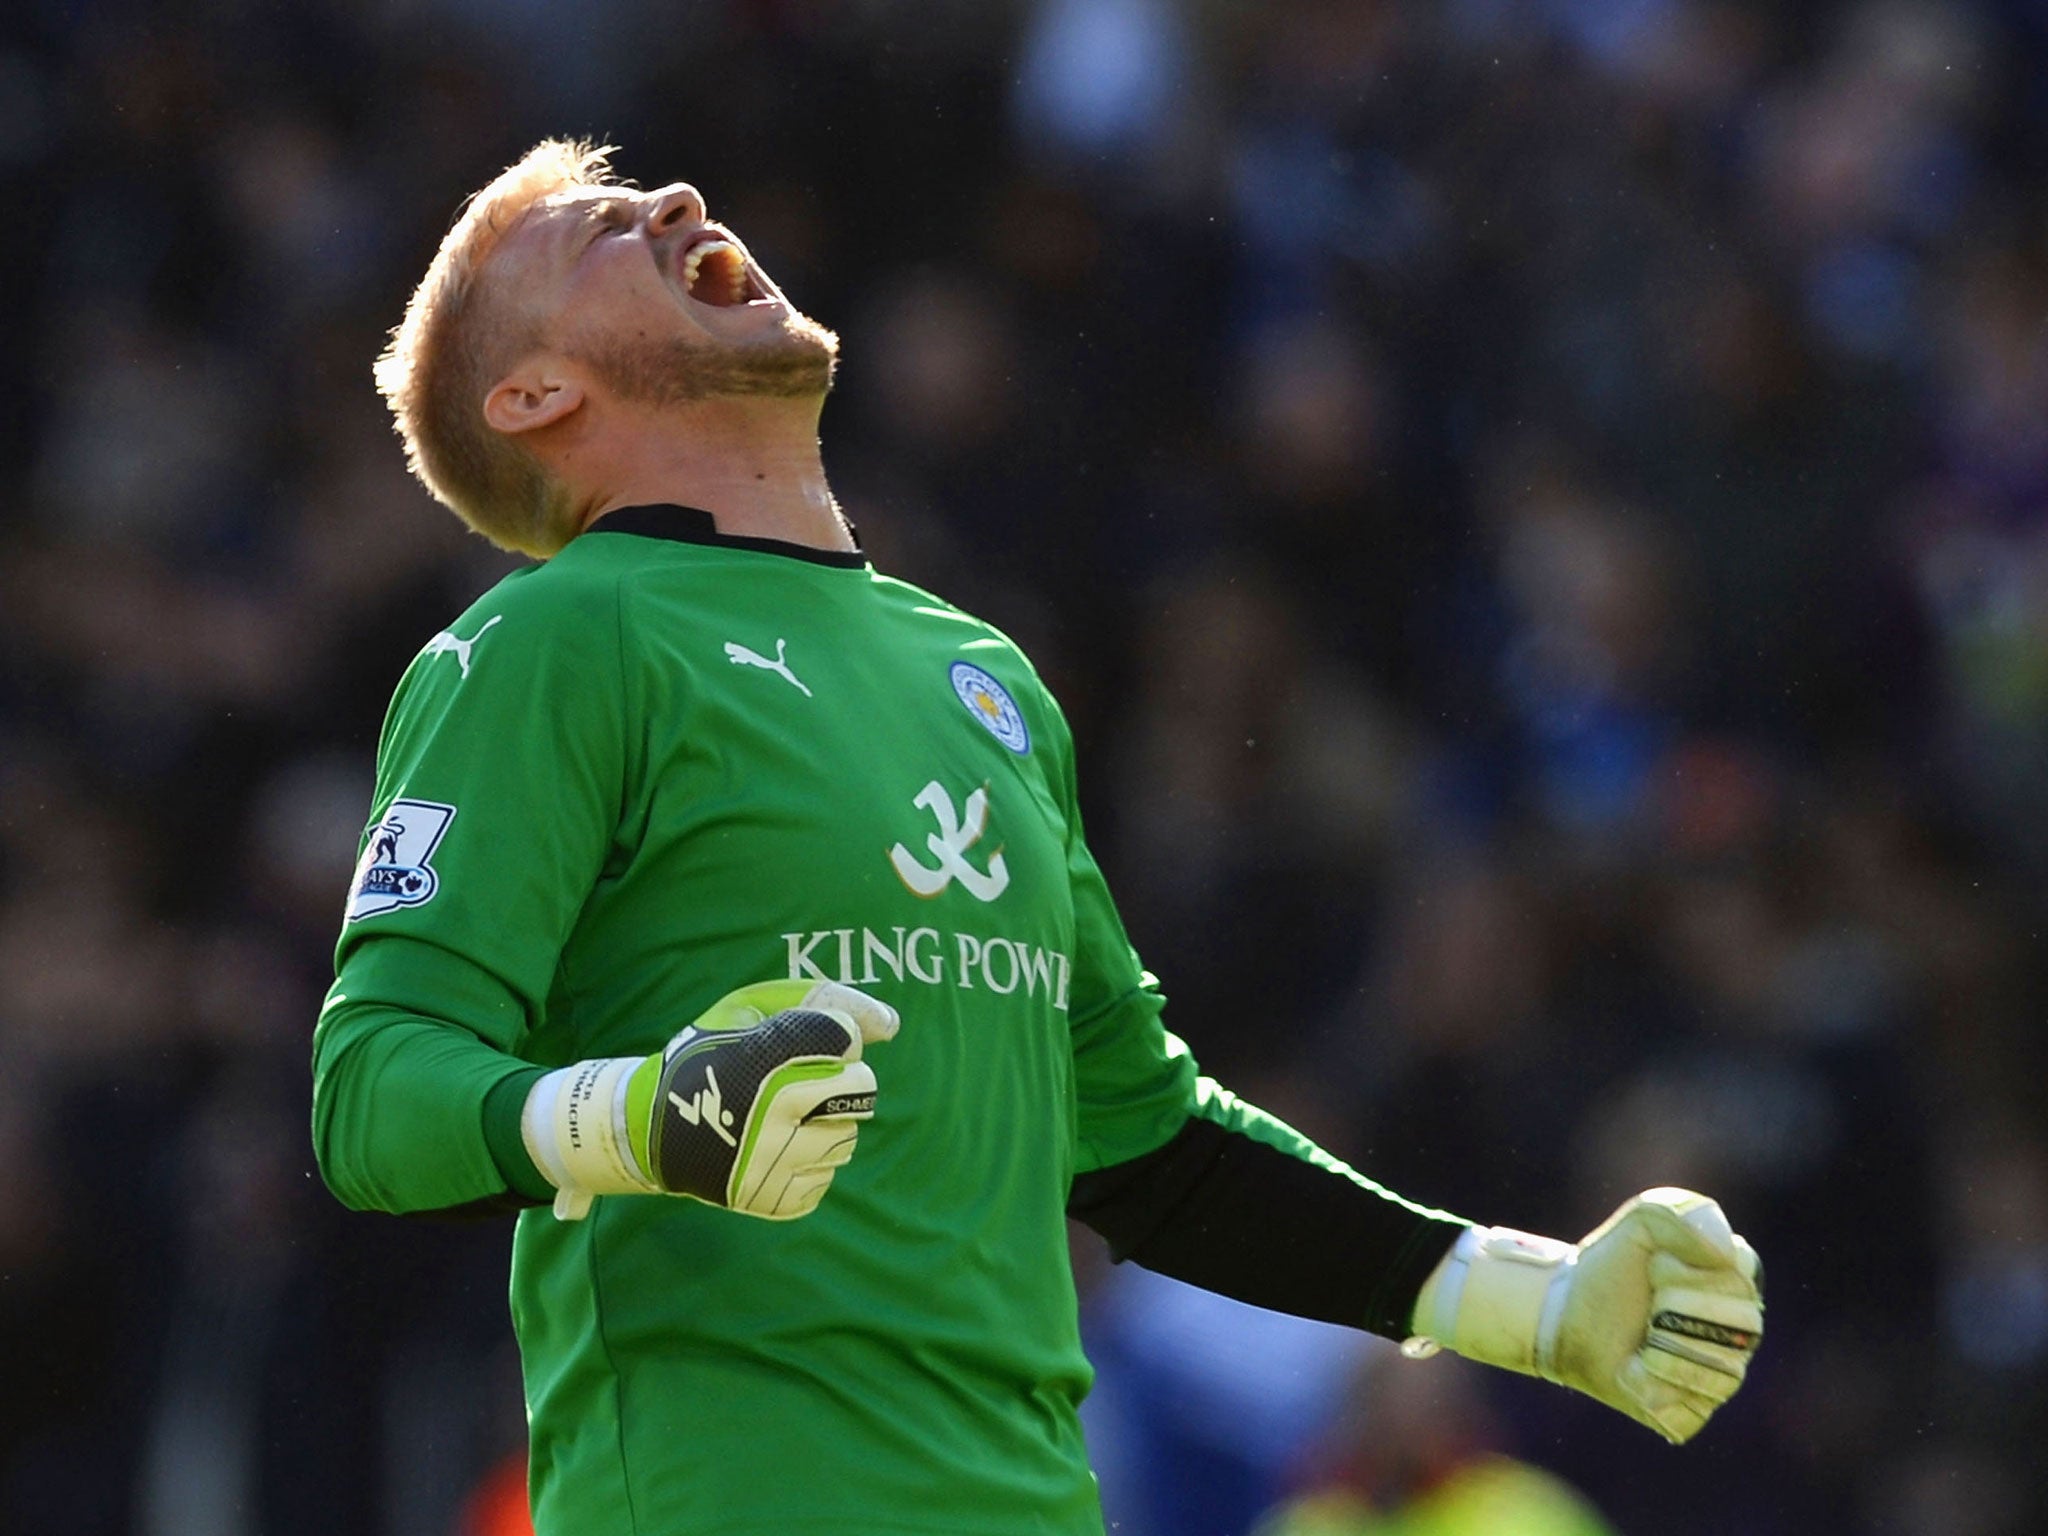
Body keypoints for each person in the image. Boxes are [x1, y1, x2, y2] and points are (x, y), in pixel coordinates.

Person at [311, 140, 1765, 1536]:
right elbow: (371, 1091)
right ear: (537, 396)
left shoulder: (984, 678)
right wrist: (636, 1115)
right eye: (597, 231)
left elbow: (1142, 1143)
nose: (675, 197)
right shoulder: (549, 646)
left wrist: (1534, 1296)